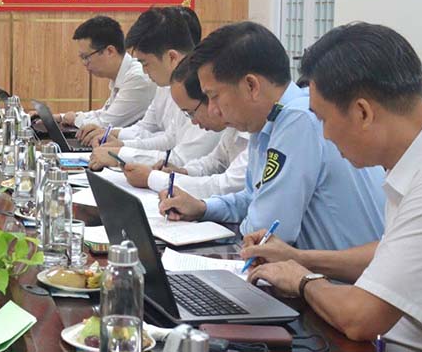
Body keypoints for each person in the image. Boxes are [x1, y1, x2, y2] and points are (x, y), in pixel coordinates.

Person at [241, 23, 422, 350]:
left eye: (323, 119)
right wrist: (297, 257)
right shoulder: (421, 154)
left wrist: (301, 279)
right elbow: (391, 252)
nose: (324, 135)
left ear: (362, 112)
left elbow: (359, 318)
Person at [158, 21, 387, 251]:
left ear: (251, 86)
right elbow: (253, 198)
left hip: (342, 281)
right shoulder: (267, 123)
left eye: (214, 96)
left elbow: (266, 231)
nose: (212, 110)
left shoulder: (298, 120)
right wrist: (203, 207)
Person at [86, 8, 219, 168]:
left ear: (171, 57)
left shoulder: (201, 88)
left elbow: (182, 159)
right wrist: (122, 145)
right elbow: (168, 138)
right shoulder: (166, 84)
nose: (144, 71)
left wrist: (120, 154)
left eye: (145, 63)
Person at [120, 54, 249, 198]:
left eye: (192, 113)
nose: (193, 121)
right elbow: (215, 162)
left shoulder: (256, 130)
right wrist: (183, 172)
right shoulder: (232, 126)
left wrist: (152, 178)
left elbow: (223, 186)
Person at [49, 16, 155, 133]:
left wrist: (74, 120)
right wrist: (61, 117)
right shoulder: (122, 75)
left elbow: (105, 124)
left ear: (110, 51)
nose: (84, 63)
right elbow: (105, 113)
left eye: (86, 57)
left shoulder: (138, 78)